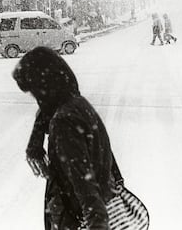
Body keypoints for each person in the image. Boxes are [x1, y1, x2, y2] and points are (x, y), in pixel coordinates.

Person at [12, 47, 123, 230]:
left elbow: (85, 186)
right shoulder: (78, 104)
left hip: (75, 220)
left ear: (45, 87)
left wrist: (97, 223)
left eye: (34, 92)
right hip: (85, 212)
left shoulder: (63, 121)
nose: (36, 98)